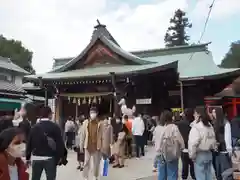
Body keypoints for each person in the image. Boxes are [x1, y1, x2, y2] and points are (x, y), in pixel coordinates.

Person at [26, 106, 65, 180]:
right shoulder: (55, 127)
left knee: (35, 178)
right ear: (49, 114)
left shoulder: (34, 128)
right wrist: (61, 156)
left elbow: (29, 143)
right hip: (50, 158)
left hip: (36, 158)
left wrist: (28, 157)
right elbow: (59, 143)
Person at [79, 107, 109, 180]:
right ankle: (85, 177)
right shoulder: (86, 122)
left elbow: (103, 136)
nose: (92, 114)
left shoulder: (100, 123)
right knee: (86, 163)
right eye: (91, 112)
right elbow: (83, 135)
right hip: (88, 146)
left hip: (97, 146)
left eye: (93, 112)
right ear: (89, 113)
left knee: (96, 163)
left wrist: (104, 147)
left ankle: (95, 176)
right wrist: (81, 145)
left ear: (96, 113)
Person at [188, 106, 217, 180]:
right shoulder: (210, 126)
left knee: (200, 177)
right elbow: (214, 140)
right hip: (209, 154)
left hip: (199, 155)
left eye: (195, 113)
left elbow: (193, 143)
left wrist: (192, 155)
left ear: (199, 114)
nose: (194, 115)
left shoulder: (196, 127)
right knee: (209, 176)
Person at [156, 110, 184, 180]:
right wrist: (182, 148)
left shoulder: (158, 128)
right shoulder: (174, 127)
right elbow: (180, 140)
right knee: (172, 174)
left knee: (161, 175)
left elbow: (155, 141)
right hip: (171, 153)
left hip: (160, 154)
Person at [211, 107, 233, 180]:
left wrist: (229, 149)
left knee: (225, 172)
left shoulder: (226, 123)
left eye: (214, 112)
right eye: (213, 112)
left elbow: (227, 137)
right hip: (217, 151)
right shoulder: (215, 123)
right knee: (218, 172)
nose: (213, 114)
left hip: (224, 151)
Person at [175, 108, 195, 180]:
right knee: (193, 165)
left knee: (185, 165)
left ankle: (184, 177)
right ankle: (194, 177)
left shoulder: (180, 124)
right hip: (193, 147)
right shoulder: (194, 123)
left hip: (184, 148)